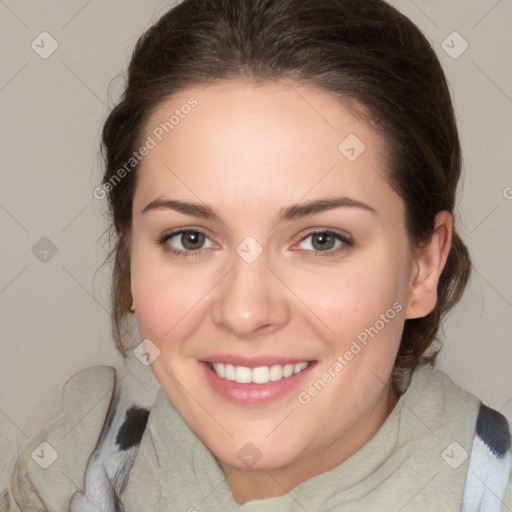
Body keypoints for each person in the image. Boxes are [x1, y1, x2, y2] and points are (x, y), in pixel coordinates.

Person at [8, 0, 512, 510]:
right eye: (190, 238)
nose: (245, 312)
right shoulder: (68, 476)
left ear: (423, 267)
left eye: (322, 240)